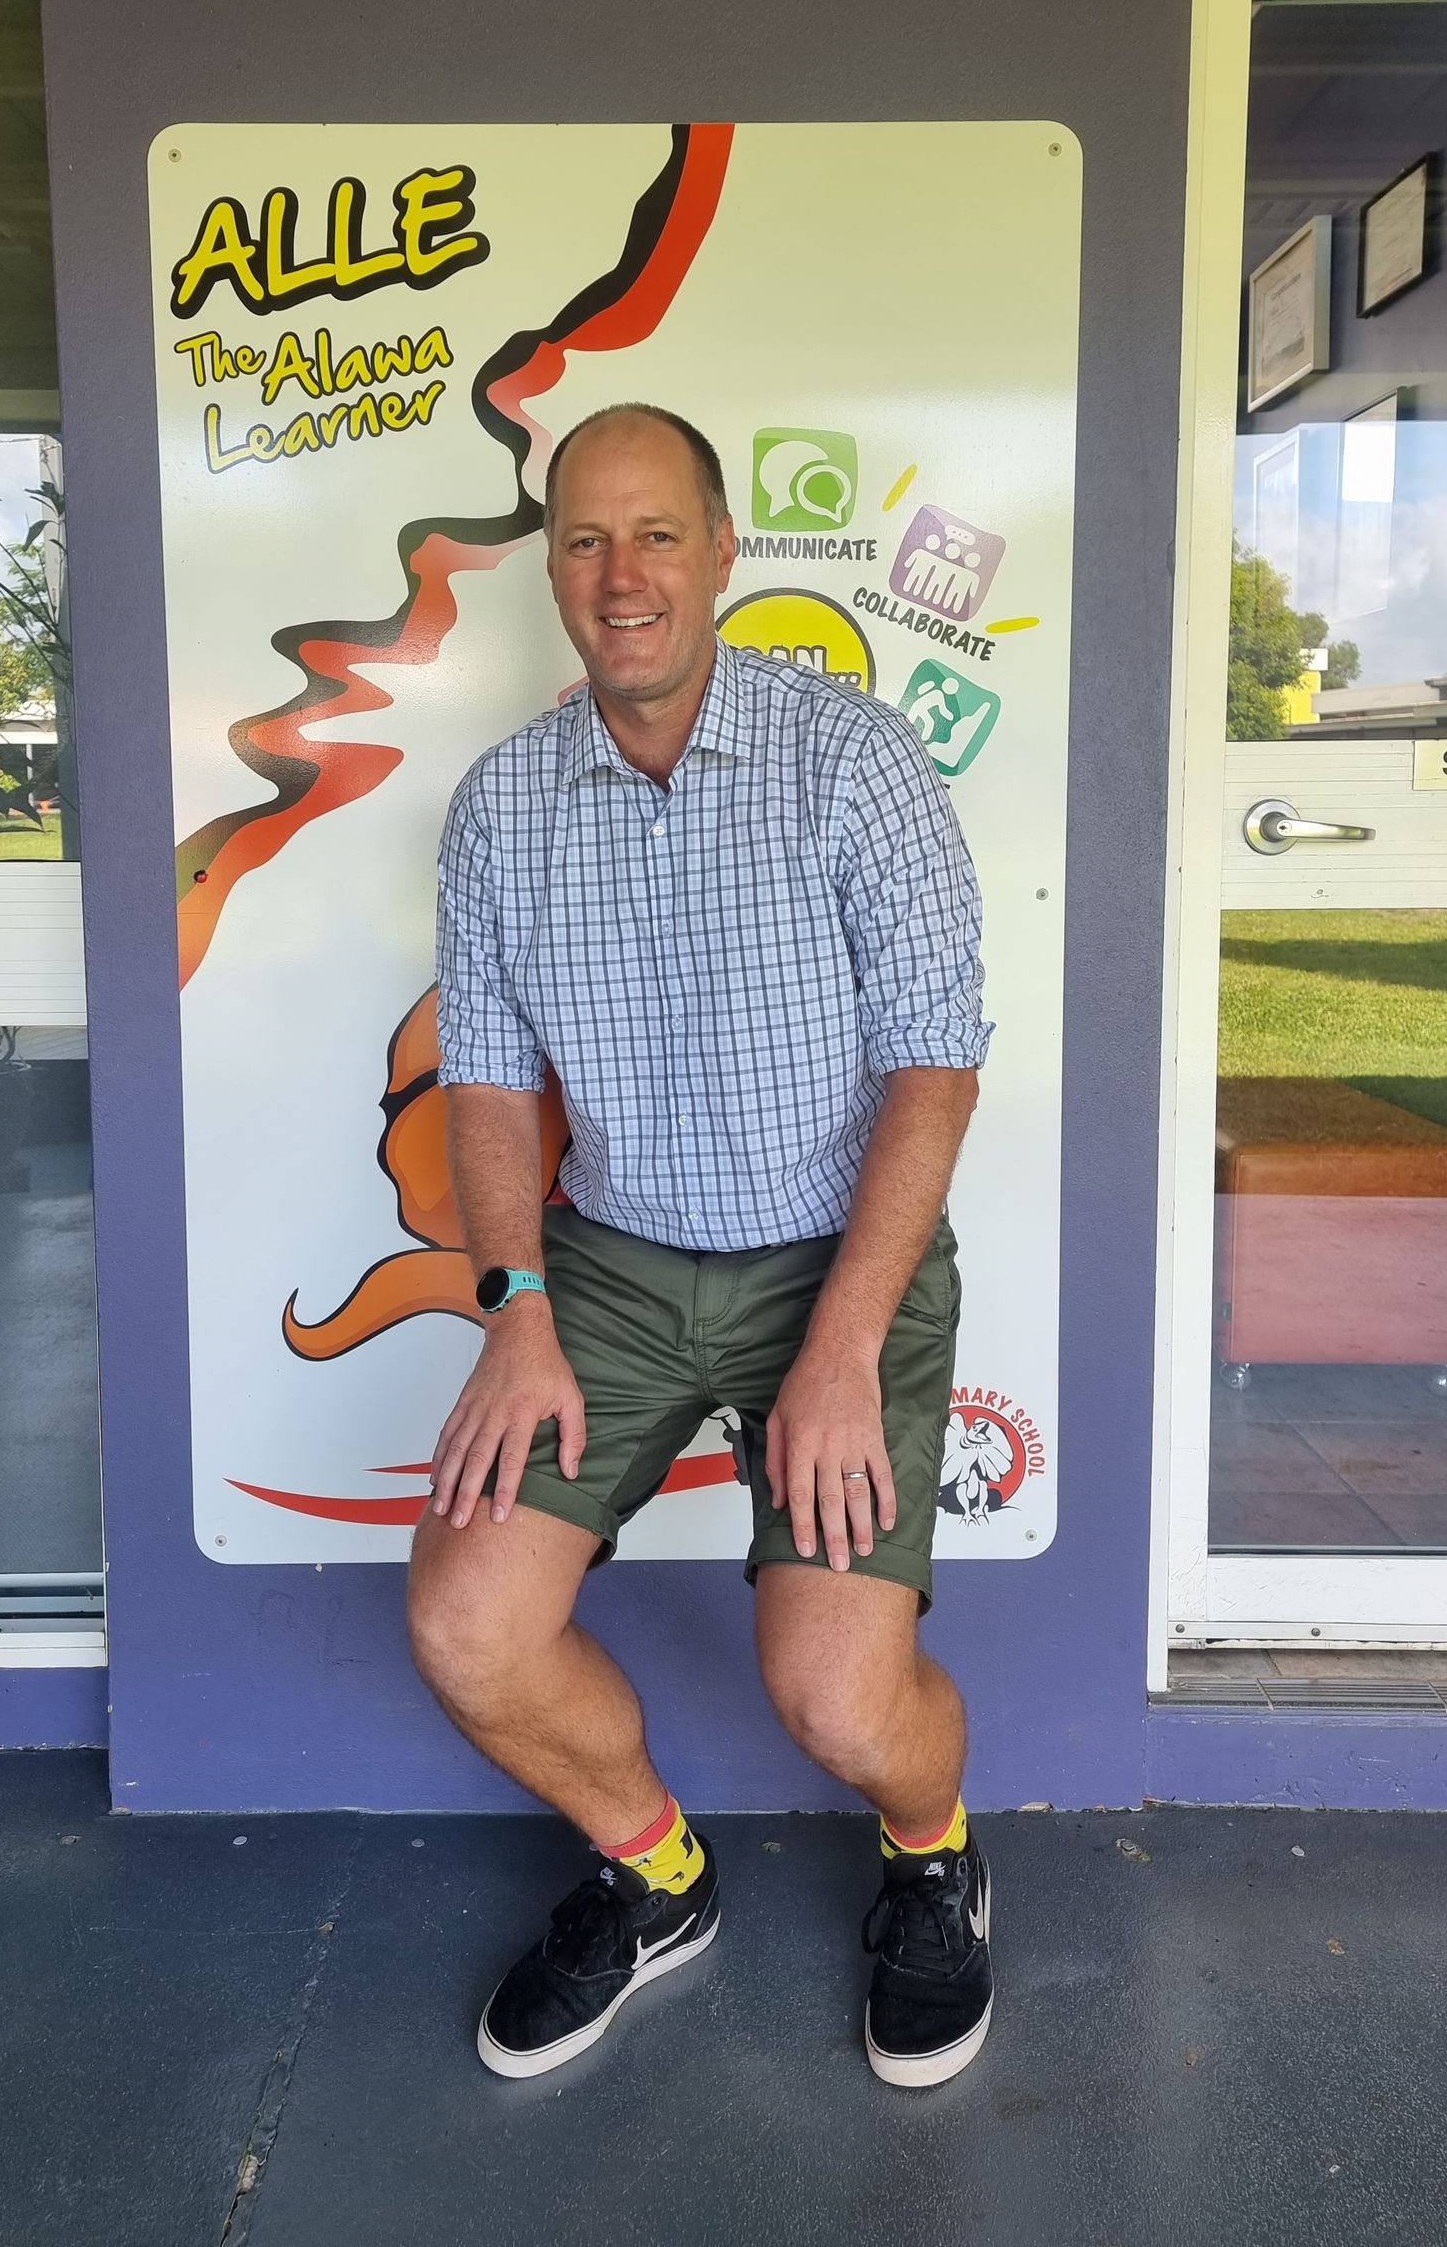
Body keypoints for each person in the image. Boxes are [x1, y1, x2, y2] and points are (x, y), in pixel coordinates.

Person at [407, 401, 994, 2088]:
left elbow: (935, 1066)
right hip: (616, 1261)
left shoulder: (854, 759)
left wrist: (837, 1351)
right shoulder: (507, 803)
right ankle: (657, 1876)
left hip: (839, 1260)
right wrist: (514, 1302)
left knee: (837, 1703)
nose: (624, 575)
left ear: (726, 553)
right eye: (586, 540)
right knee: (469, 1625)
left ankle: (932, 1855)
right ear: (551, 571)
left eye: (658, 533)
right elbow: (496, 1086)